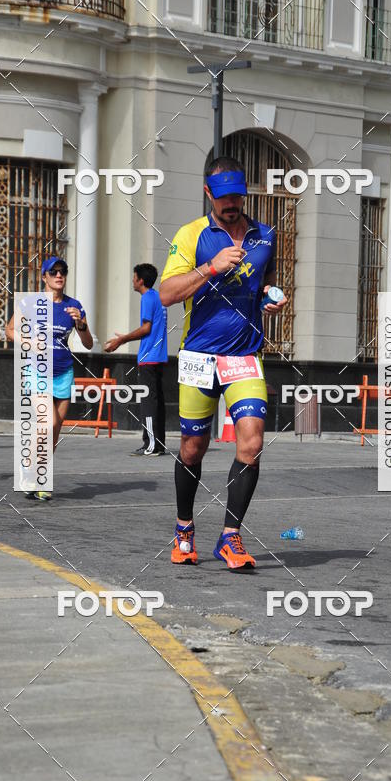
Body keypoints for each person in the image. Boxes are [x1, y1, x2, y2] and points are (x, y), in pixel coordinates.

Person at [159, 156, 286, 570]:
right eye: (224, 197)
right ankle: (183, 529)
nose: (231, 204)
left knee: (251, 443)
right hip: (199, 355)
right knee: (193, 448)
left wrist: (272, 297)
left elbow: (267, 279)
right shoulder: (192, 234)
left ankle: (230, 536)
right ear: (208, 193)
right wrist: (210, 267)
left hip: (245, 354)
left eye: (237, 197)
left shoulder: (263, 235)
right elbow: (167, 293)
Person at [6, 257, 93, 501]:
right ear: (44, 276)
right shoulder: (30, 303)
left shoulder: (74, 305)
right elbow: (10, 330)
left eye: (62, 271)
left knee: (54, 433)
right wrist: (30, 342)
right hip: (37, 371)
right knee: (48, 423)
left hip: (64, 372)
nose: (59, 275)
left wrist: (81, 324)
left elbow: (88, 343)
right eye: (53, 272)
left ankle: (40, 477)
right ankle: (28, 469)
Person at [104, 264, 168, 456]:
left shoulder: (147, 298)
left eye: (134, 277)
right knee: (157, 403)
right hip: (159, 357)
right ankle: (158, 444)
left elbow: (146, 328)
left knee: (148, 403)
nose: (132, 280)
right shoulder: (158, 297)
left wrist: (121, 339)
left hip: (149, 358)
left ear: (140, 280)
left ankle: (150, 445)